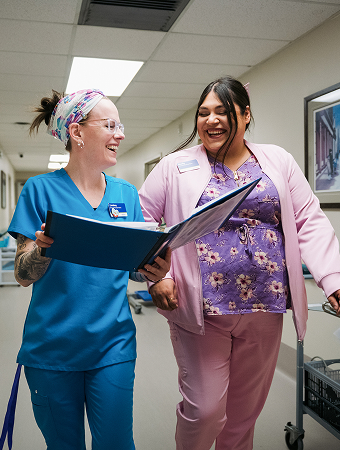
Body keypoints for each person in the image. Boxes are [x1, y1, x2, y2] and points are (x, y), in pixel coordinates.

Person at [138, 76, 340, 450]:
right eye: (203, 113)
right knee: (205, 410)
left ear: (246, 116)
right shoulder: (173, 166)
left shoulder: (277, 160)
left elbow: (308, 218)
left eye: (221, 111)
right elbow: (144, 221)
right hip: (200, 308)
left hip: (266, 305)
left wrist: (333, 278)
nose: (210, 120)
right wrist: (159, 275)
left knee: (243, 415)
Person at [8, 88, 171, 450]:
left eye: (121, 125)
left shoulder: (126, 195)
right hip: (52, 349)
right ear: (77, 132)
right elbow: (22, 273)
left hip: (112, 346)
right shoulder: (39, 190)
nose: (121, 134)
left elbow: (133, 269)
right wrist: (44, 250)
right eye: (110, 124)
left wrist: (155, 268)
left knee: (116, 444)